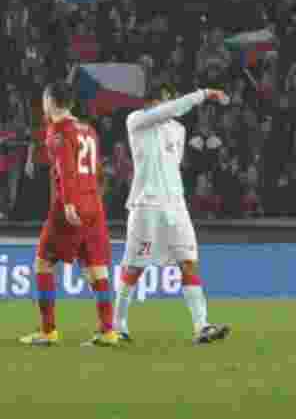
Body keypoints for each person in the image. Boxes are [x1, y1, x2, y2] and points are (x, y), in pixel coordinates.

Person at [113, 85, 232, 346]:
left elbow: (173, 164)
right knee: (134, 267)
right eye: (164, 102)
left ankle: (202, 326)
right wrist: (203, 94)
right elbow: (169, 110)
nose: (169, 106)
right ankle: (117, 325)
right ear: (151, 103)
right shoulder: (136, 121)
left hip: (176, 206)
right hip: (146, 205)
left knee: (188, 262)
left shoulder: (178, 130)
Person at [20, 80, 118, 347]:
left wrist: (70, 203)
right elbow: (96, 171)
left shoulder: (57, 130)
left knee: (42, 264)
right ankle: (108, 330)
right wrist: (91, 200)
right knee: (96, 268)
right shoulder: (89, 130)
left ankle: (48, 330)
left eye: (44, 99)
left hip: (69, 206)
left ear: (51, 101)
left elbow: (65, 169)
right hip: (94, 204)